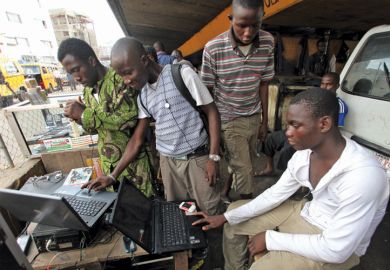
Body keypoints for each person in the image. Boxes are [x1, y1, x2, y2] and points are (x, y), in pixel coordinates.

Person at [193, 88, 389, 270]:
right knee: (233, 218)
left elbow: (336, 250)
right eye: (288, 124)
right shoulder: (304, 156)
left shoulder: (363, 176)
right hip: (305, 213)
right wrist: (225, 217)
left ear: (324, 124)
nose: (287, 132)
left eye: (296, 125)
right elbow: (275, 194)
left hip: (335, 245)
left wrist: (271, 239)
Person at [86, 37, 222, 215]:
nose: (126, 80)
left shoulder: (181, 74)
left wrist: (213, 157)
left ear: (144, 60)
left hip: (197, 159)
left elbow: (212, 112)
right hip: (169, 164)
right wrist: (112, 176)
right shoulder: (142, 95)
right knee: (180, 213)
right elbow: (137, 139)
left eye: (128, 72)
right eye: (121, 76)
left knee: (210, 211)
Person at [57, 38, 153, 197]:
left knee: (143, 211)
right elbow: (96, 128)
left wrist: (84, 114)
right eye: (70, 73)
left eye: (76, 69)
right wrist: (78, 118)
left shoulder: (119, 80)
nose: (76, 78)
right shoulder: (87, 92)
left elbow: (127, 121)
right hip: (109, 168)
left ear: (91, 61)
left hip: (135, 168)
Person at [201, 0, 274, 199]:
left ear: (261, 20)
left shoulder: (268, 42)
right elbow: (205, 94)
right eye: (242, 25)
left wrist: (264, 122)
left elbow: (264, 84)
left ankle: (226, 192)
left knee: (246, 161)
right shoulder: (213, 49)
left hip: (253, 116)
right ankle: (244, 210)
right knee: (245, 169)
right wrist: (211, 136)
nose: (248, 32)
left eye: (255, 25)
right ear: (231, 19)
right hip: (228, 119)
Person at [257, 72, 347, 177]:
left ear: (337, 86)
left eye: (329, 84)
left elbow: (332, 131)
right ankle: (270, 168)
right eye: (323, 84)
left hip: (311, 137)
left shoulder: (339, 106)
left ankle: (293, 179)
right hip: (299, 131)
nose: (325, 87)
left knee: (287, 150)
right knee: (270, 139)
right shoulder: (315, 99)